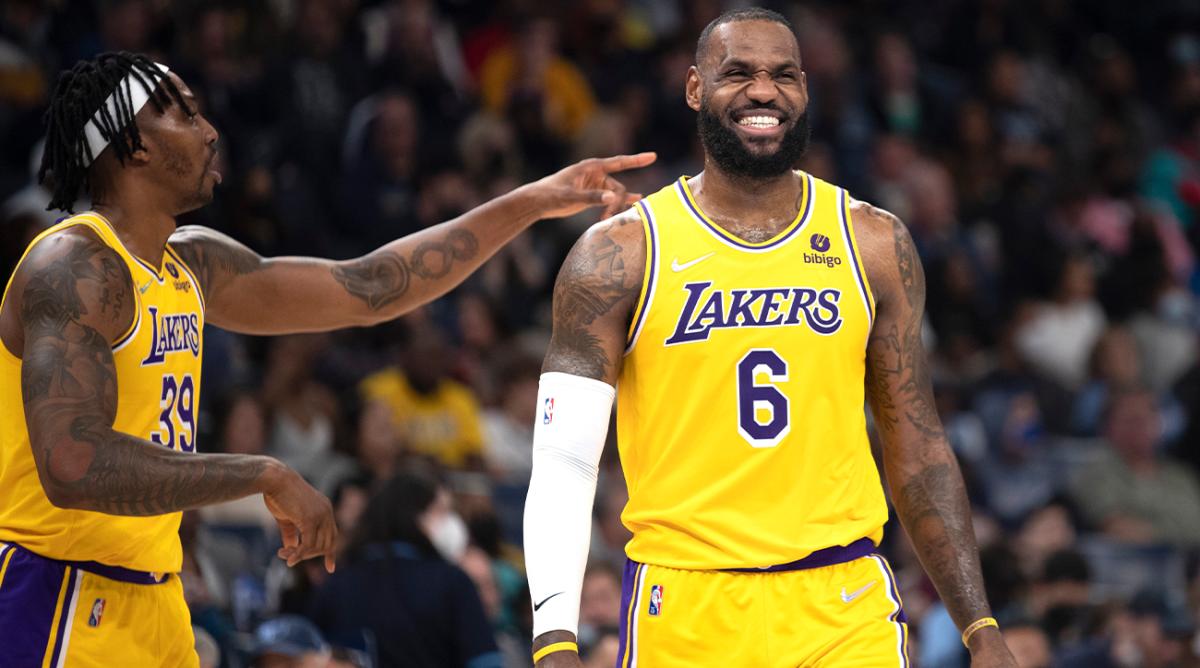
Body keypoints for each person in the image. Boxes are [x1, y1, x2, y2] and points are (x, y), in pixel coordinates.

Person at [0, 51, 653, 666]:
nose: (210, 132)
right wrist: (262, 472)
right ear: (134, 144)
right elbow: (73, 463)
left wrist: (533, 200)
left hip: (155, 594)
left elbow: (372, 286)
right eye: (186, 114)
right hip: (55, 591)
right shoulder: (73, 267)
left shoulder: (190, 264)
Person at [523, 9, 1017, 667]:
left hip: (843, 606)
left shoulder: (872, 242)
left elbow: (919, 450)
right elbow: (565, 461)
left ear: (805, 90)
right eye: (738, 73)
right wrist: (554, 639)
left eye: (783, 75)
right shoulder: (619, 254)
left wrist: (980, 628)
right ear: (695, 88)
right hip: (687, 604)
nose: (763, 91)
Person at [309, 472, 500, 668]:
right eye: (442, 511)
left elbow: (311, 656)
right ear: (414, 515)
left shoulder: (337, 583)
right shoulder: (453, 583)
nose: (451, 523)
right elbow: (485, 661)